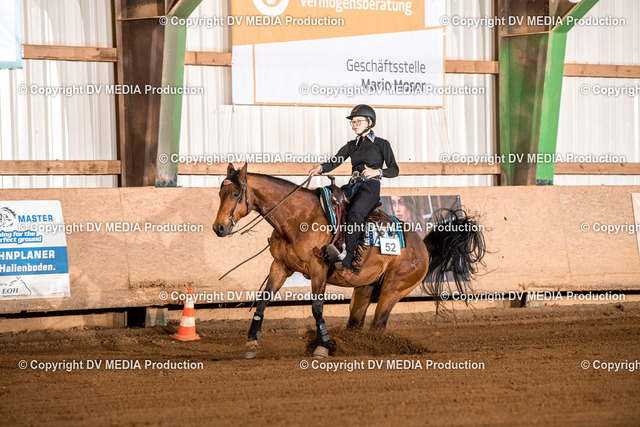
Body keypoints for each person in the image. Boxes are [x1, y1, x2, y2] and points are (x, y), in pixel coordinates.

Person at [308, 104, 399, 272]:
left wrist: (377, 172)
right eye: (353, 122)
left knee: (356, 213)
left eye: (358, 121)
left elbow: (394, 170)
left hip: (370, 186)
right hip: (352, 186)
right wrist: (320, 168)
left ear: (369, 122)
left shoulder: (382, 144)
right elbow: (335, 161)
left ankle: (348, 257)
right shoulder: (351, 145)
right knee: (328, 204)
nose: (354, 125)